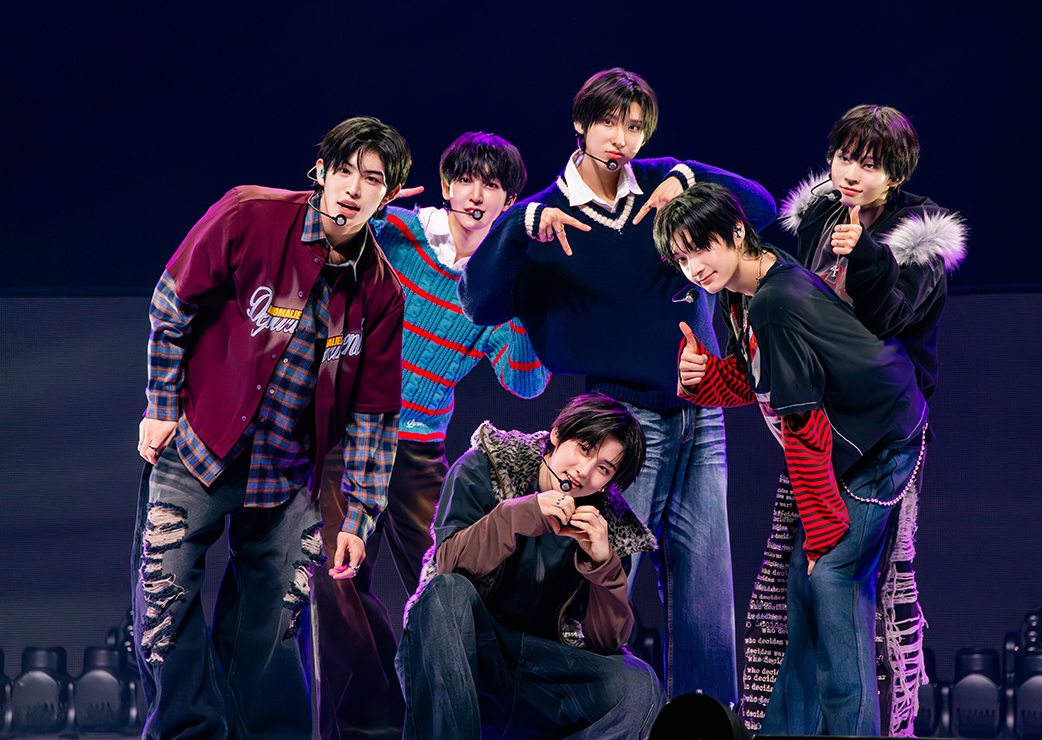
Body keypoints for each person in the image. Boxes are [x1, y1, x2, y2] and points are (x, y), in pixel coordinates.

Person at [459, 67, 776, 703]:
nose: (621, 139)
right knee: (605, 576)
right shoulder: (542, 215)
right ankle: (588, 715)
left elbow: (762, 208)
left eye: (634, 126)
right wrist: (518, 229)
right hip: (621, 427)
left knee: (706, 592)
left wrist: (688, 177)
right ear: (580, 124)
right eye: (608, 122)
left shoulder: (664, 182)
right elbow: (480, 303)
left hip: (702, 415)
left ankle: (707, 726)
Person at [132, 116, 409, 740]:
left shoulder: (382, 292)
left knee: (274, 630)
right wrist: (161, 405)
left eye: (371, 179)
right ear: (321, 171)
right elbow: (172, 302)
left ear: (388, 195)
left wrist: (360, 516)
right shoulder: (249, 214)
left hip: (286, 475)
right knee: (164, 609)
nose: (353, 188)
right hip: (198, 446)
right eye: (344, 170)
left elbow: (374, 413)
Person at [654, 182, 928, 736]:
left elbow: (804, 425)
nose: (694, 267)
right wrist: (705, 378)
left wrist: (822, 532)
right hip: (851, 440)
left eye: (701, 247)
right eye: (681, 258)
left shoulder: (774, 299)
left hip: (880, 441)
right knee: (804, 591)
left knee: (831, 582)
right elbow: (764, 380)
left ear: (737, 232)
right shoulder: (742, 291)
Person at [310, 132, 550, 740]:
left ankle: (466, 721)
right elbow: (323, 240)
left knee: (452, 582)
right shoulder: (399, 232)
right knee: (334, 583)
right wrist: (369, 205)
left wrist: (523, 292)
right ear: (445, 186)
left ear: (510, 202)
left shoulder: (494, 284)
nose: (476, 194)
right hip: (347, 436)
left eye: (492, 185)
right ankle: (372, 729)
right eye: (465, 179)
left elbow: (526, 381)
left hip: (418, 451)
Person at [739, 104, 967, 733]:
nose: (850, 173)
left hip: (884, 434)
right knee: (800, 582)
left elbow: (887, 321)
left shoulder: (919, 238)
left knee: (847, 580)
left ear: (896, 174)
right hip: (820, 428)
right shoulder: (821, 214)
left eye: (868, 165)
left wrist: (866, 255)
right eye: (844, 158)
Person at [398, 392, 663, 739]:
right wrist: (521, 514)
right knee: (446, 591)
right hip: (473, 659)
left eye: (603, 469)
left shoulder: (608, 527)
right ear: (557, 434)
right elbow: (446, 569)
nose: (584, 472)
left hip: (547, 676)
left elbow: (606, 643)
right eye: (584, 448)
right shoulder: (484, 467)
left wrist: (603, 565)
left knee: (639, 684)